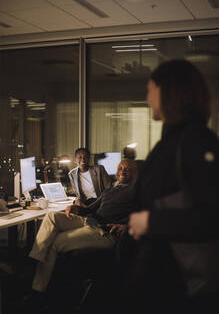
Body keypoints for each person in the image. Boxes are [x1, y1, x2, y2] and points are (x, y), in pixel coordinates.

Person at [125, 59, 219, 313]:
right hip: (160, 281)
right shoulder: (171, 140)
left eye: (149, 90)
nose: (147, 98)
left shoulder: (196, 141)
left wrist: (149, 222)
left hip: (182, 289)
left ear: (169, 91)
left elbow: (212, 217)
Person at [27, 159, 137, 301]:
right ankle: (36, 257)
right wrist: (75, 207)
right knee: (52, 216)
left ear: (136, 173)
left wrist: (128, 226)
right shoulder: (111, 190)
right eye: (120, 168)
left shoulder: (139, 192)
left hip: (104, 231)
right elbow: (90, 209)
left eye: (127, 169)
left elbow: (147, 215)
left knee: (54, 242)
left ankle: (37, 290)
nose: (122, 171)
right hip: (90, 221)